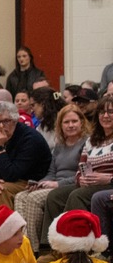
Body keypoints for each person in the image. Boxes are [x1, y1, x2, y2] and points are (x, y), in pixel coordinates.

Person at [40, 95, 113, 248]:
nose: (105, 116)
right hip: (90, 183)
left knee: (77, 195)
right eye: (102, 112)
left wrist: (108, 179)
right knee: (55, 196)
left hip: (108, 183)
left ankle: (74, 247)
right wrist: (82, 179)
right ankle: (49, 246)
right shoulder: (92, 140)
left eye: (110, 112)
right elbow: (81, 168)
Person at [14, 104, 88, 252]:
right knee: (21, 197)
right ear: (60, 125)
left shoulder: (86, 143)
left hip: (71, 184)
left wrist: (56, 184)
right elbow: (51, 171)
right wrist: (41, 183)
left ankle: (35, 250)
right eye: (66, 122)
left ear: (82, 122)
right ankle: (24, 246)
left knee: (33, 199)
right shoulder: (59, 145)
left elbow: (82, 174)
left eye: (74, 121)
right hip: (54, 182)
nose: (70, 125)